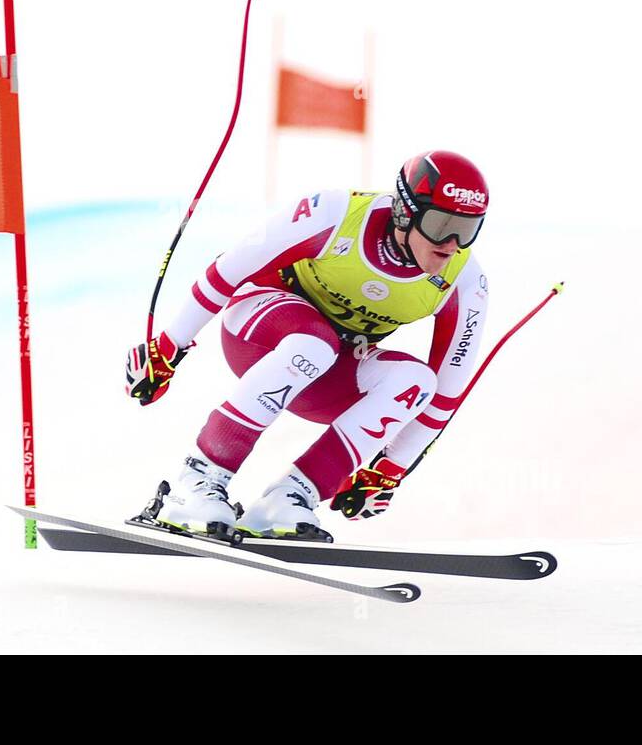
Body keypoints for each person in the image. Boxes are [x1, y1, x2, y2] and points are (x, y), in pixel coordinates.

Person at [125, 149, 490, 541]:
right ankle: (196, 480)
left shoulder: (464, 281)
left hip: (327, 367)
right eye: (440, 225)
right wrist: (168, 347)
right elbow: (228, 270)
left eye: (467, 229)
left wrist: (390, 468)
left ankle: (290, 498)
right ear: (405, 211)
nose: (451, 244)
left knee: (416, 382)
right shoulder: (336, 214)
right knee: (315, 344)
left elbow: (445, 395)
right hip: (256, 327)